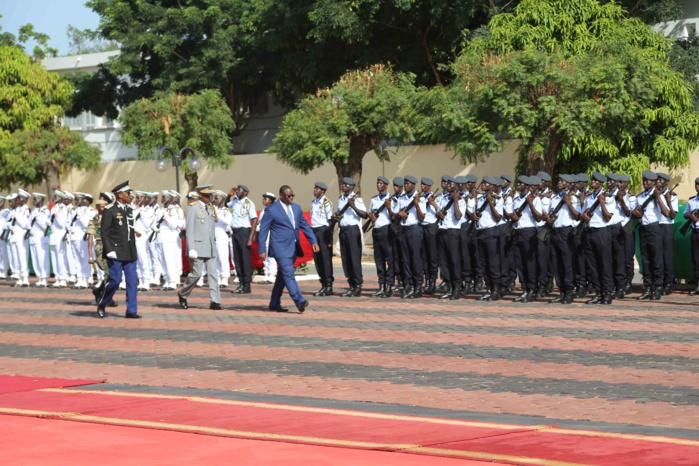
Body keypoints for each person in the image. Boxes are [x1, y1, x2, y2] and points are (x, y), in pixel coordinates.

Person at [257, 185, 319, 313]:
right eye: (288, 196)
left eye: (292, 196)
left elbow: (305, 226)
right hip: (280, 247)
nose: (291, 198)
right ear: (281, 196)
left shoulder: (296, 208)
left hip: (293, 247)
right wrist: (261, 249)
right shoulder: (272, 210)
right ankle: (299, 300)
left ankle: (274, 302)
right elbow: (263, 230)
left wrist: (313, 240)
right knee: (289, 273)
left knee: (282, 276)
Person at [97, 181, 140, 319]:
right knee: (115, 281)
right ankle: (102, 302)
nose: (129, 195)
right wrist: (109, 249)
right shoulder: (110, 210)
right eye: (127, 193)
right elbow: (104, 232)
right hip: (115, 252)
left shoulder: (129, 210)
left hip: (129, 252)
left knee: (132, 282)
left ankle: (131, 310)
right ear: (119, 195)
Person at [177, 185, 222, 310]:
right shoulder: (193, 208)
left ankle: (215, 301)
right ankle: (183, 293)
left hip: (210, 246)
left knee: (213, 274)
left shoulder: (210, 208)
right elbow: (190, 229)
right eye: (207, 195)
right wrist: (191, 248)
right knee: (196, 275)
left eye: (210, 195)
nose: (209, 198)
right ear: (200, 195)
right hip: (197, 246)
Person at [334, 177, 366, 297]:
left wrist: (353, 206)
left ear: (352, 187)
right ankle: (351, 284)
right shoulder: (341, 199)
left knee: (354, 259)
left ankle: (357, 285)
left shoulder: (357, 199)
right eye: (343, 184)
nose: (344, 186)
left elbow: (364, 214)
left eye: (347, 185)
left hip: (353, 230)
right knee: (345, 258)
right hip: (343, 230)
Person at [228, 184, 257, 294]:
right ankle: (241, 283)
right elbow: (226, 205)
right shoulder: (235, 201)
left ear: (245, 192)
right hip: (235, 231)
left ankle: (247, 284)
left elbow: (254, 220)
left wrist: (250, 238)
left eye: (239, 190)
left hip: (244, 232)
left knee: (245, 259)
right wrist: (228, 195)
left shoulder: (249, 203)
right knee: (237, 258)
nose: (237, 191)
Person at [367, 176, 394, 297]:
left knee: (389, 259)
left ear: (386, 185)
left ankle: (389, 286)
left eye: (381, 183)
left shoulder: (391, 199)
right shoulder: (374, 199)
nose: (379, 185)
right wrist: (371, 217)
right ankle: (381, 285)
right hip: (376, 230)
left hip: (386, 229)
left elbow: (393, 216)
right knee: (379, 260)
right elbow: (370, 212)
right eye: (377, 183)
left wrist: (388, 206)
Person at [310, 182, 334, 295]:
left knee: (325, 259)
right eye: (314, 188)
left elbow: (330, 222)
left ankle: (328, 285)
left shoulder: (326, 203)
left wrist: (330, 239)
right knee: (317, 259)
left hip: (323, 231)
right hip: (314, 231)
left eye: (317, 189)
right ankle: (323, 284)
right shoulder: (313, 203)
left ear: (323, 191)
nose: (315, 190)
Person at [28, 192, 51, 287]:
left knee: (42, 259)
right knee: (35, 259)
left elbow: (44, 226)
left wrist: (38, 219)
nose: (34, 201)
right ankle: (39, 277)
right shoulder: (34, 210)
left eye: (35, 199)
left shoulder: (45, 211)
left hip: (41, 238)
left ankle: (44, 278)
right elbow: (29, 224)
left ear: (40, 200)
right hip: (33, 238)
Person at [257, 192, 278, 284]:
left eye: (266, 199)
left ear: (271, 200)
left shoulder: (274, 209)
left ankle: (271, 275)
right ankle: (266, 274)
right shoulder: (264, 210)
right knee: (264, 254)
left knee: (271, 255)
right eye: (263, 198)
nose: (263, 200)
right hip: (264, 234)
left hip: (271, 234)